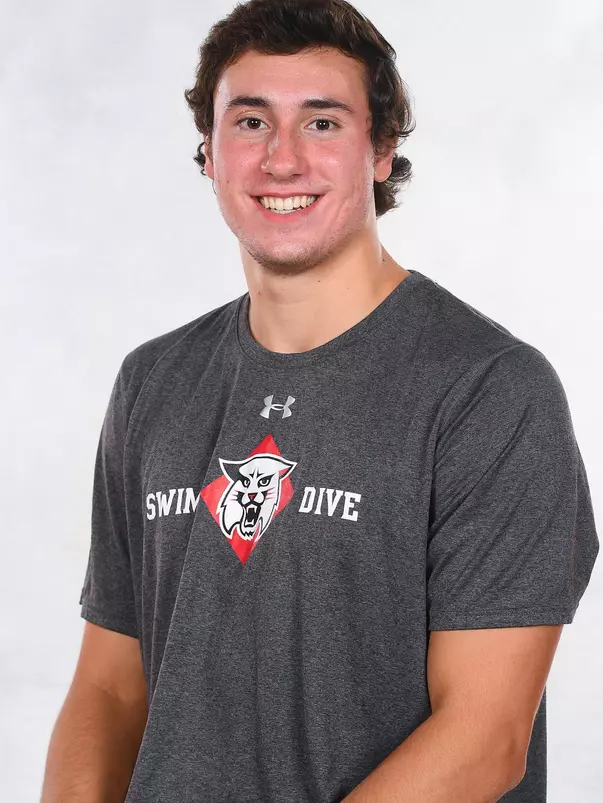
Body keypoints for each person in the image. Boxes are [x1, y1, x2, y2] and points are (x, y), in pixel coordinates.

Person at [40, 1, 599, 801]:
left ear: (381, 150)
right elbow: (109, 688)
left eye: (324, 123)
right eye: (251, 121)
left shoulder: (489, 390)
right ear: (209, 152)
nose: (282, 159)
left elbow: (484, 738)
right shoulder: (151, 383)